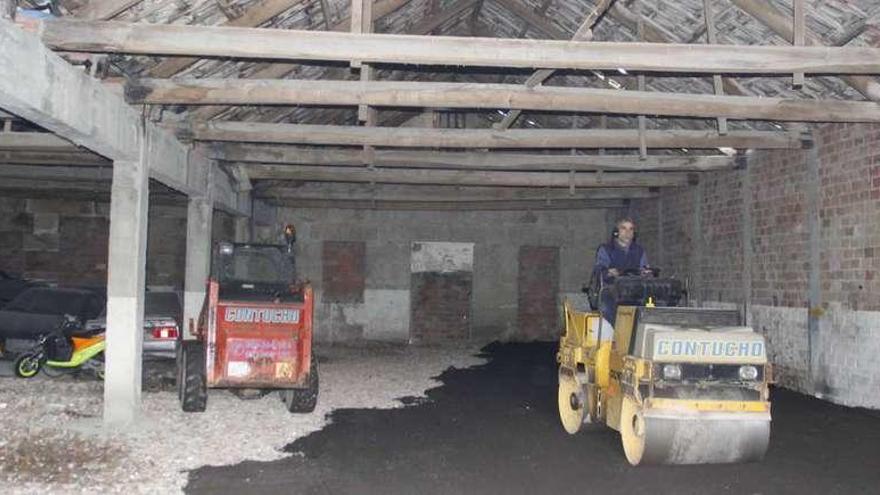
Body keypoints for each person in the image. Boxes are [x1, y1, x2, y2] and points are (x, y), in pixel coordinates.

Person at [593, 217, 651, 325]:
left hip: (634, 289)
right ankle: (615, 333)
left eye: (631, 229)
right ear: (616, 232)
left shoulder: (639, 251)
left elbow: (644, 268)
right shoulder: (605, 249)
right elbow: (600, 269)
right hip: (611, 289)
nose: (628, 232)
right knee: (607, 307)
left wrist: (646, 272)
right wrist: (609, 272)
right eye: (623, 228)